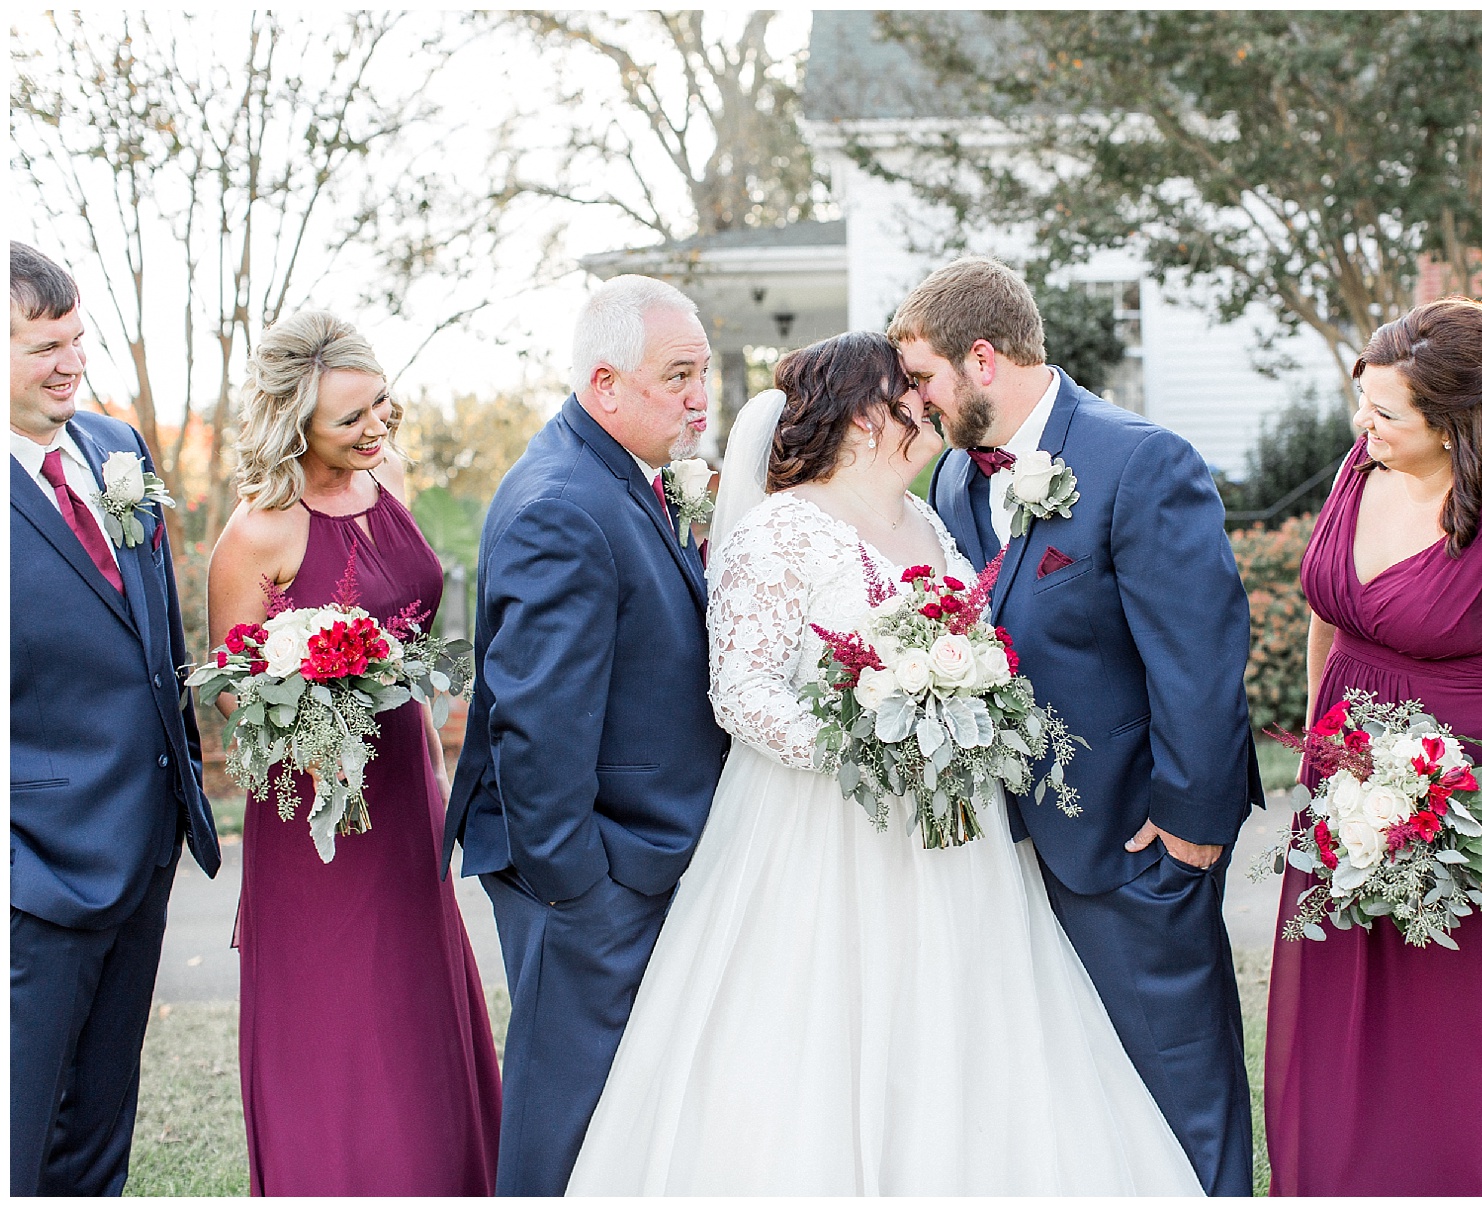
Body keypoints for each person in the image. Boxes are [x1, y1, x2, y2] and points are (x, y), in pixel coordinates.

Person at [565, 331, 1202, 1195]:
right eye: (911, 393)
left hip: (953, 836)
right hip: (821, 831)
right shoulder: (780, 532)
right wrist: (863, 746)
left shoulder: (930, 521)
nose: (930, 406)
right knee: (825, 1034)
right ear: (869, 417)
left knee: (963, 1026)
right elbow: (741, 692)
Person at [901, 257, 1262, 1196]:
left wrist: (1189, 825)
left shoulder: (1139, 460)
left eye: (925, 378)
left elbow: (1201, 656)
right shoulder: (948, 483)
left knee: (1180, 1090)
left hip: (1133, 845)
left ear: (982, 359)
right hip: (1007, 860)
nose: (917, 403)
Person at [1263, 297, 1482, 1194]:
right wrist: (1324, 753)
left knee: (1471, 1053)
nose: (1362, 424)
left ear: (1453, 423)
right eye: (1362, 404)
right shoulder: (1357, 469)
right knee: (1349, 1037)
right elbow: (1328, 616)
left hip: (1475, 821)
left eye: (1385, 413)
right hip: (1351, 805)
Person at [444, 275, 729, 1196]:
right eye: (678, 374)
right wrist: (581, 892)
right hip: (587, 880)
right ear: (606, 384)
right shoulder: (563, 505)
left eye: (704, 372)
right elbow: (536, 728)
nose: (700, 395)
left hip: (631, 859)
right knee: (563, 1123)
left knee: (622, 1118)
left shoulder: (620, 477)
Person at [207, 311, 500, 1194]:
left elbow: (410, 629)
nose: (377, 428)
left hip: (406, 782)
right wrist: (316, 715)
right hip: (315, 815)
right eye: (350, 419)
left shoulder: (393, 476)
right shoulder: (257, 531)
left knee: (416, 1003)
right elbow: (230, 691)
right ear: (296, 427)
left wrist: (436, 767)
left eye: (382, 405)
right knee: (340, 1013)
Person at [10, 242, 221, 1195]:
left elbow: (155, 631)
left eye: (77, 339)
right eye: (41, 345)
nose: (70, 363)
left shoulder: (118, 449)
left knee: (101, 1133)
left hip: (143, 850)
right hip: (31, 874)